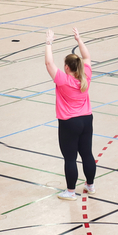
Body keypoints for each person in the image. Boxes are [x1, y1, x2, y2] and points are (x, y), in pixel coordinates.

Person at [45, 28, 95, 200]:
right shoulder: (86, 75)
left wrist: (49, 42)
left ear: (66, 67)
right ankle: (90, 185)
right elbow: (87, 57)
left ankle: (71, 192)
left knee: (70, 158)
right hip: (86, 119)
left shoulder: (63, 80)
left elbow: (49, 63)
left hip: (69, 123)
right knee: (87, 154)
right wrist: (79, 40)